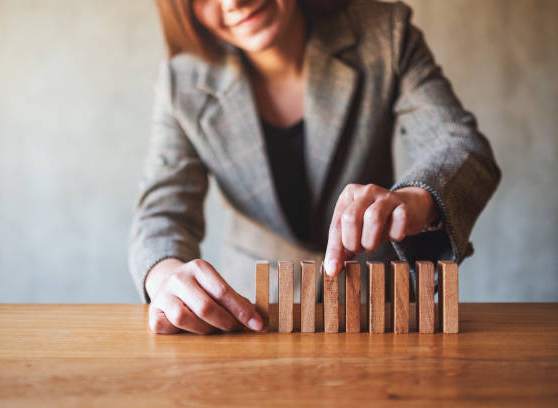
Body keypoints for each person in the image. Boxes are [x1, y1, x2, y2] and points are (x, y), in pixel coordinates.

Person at [128, 0, 501, 334]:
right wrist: (164, 276)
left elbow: (458, 144)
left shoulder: (384, 32)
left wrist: (415, 200)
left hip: (381, 309)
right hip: (251, 313)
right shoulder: (180, 83)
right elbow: (163, 208)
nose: (234, 2)